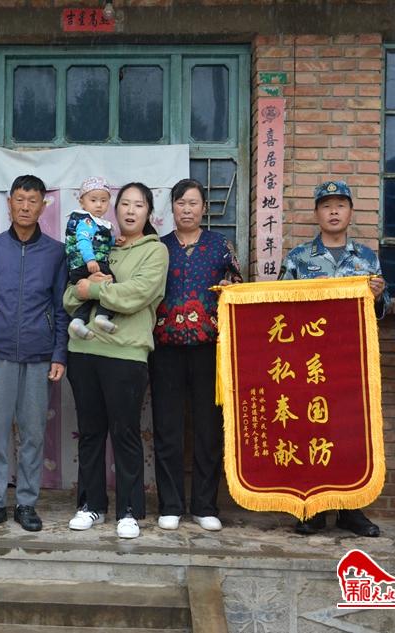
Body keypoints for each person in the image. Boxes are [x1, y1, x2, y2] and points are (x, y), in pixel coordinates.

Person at [279, 179, 388, 537]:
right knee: (311, 430)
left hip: (351, 363)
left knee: (350, 432)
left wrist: (378, 296)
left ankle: (350, 509)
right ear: (317, 213)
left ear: (351, 211)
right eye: (326, 206)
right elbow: (279, 309)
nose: (334, 212)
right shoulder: (298, 258)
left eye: (340, 205)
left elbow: (381, 311)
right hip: (309, 364)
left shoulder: (366, 258)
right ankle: (313, 507)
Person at [64, 182, 169, 539]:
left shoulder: (155, 251)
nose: (130, 210)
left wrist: (92, 289)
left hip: (126, 354)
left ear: (149, 212)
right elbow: (69, 295)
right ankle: (90, 505)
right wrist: (83, 288)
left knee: (125, 434)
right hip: (83, 352)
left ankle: (128, 510)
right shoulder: (101, 245)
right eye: (124, 204)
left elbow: (136, 294)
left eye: (138, 205)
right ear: (115, 209)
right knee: (90, 433)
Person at [0, 174, 68, 532]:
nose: (25, 207)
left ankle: (26, 503)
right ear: (9, 203)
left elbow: (61, 308)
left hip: (39, 356)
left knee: (33, 434)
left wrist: (59, 354)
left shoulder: (55, 252)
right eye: (19, 200)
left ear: (43, 206)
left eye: (32, 200)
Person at [150, 178, 242, 533]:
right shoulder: (158, 247)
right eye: (180, 203)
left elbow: (237, 286)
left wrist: (232, 288)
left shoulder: (220, 246)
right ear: (172, 207)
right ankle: (170, 505)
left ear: (204, 208)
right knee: (167, 428)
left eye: (193, 203)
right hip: (165, 348)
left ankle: (205, 505)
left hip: (209, 348)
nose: (186, 209)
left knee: (208, 429)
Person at [65, 176, 118, 339]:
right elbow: (83, 240)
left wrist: (115, 241)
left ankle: (78, 321)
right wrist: (90, 260)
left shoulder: (98, 222)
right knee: (110, 282)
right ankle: (102, 316)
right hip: (87, 264)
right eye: (93, 200)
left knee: (89, 295)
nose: (99, 204)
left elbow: (101, 240)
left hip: (77, 268)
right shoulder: (86, 220)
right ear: (82, 202)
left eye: (103, 200)